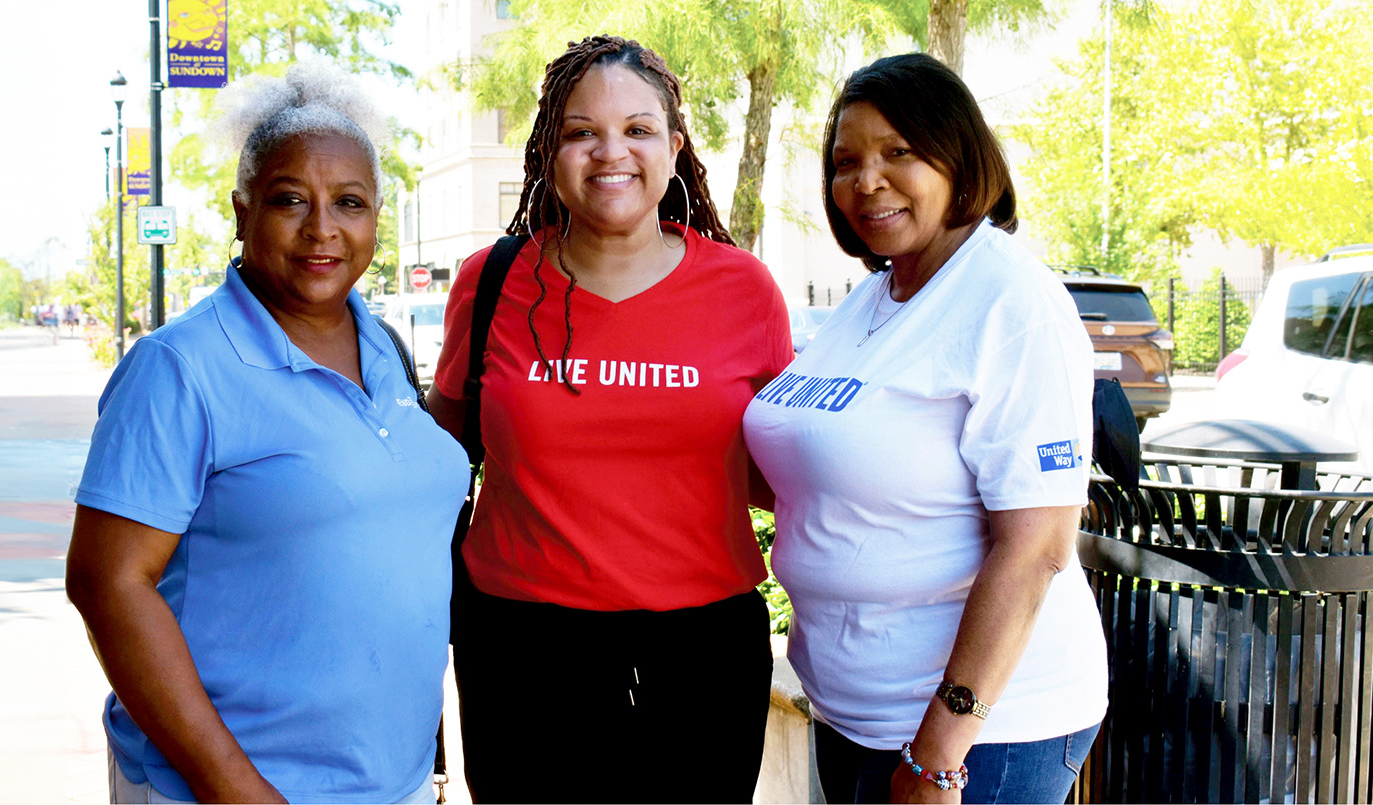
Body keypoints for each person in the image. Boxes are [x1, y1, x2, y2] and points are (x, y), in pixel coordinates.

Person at [65, 63, 467, 805]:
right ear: (241, 210)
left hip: (394, 783)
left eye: (349, 202)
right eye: (290, 200)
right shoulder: (180, 368)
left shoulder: (383, 346)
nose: (322, 228)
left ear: (377, 215)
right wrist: (233, 789)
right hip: (228, 790)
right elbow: (107, 582)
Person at [425, 36, 793, 804]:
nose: (609, 152)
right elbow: (435, 460)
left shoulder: (744, 290)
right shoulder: (488, 283)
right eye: (581, 131)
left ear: (675, 148)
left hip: (703, 652)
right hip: (524, 650)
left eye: (637, 129)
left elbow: (781, 474)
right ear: (550, 151)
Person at [742, 53, 1107, 804]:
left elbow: (1037, 547)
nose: (865, 180)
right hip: (854, 716)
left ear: (959, 157)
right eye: (846, 161)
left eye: (897, 152)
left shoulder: (1011, 302)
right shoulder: (876, 296)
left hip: (981, 737)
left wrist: (941, 749)